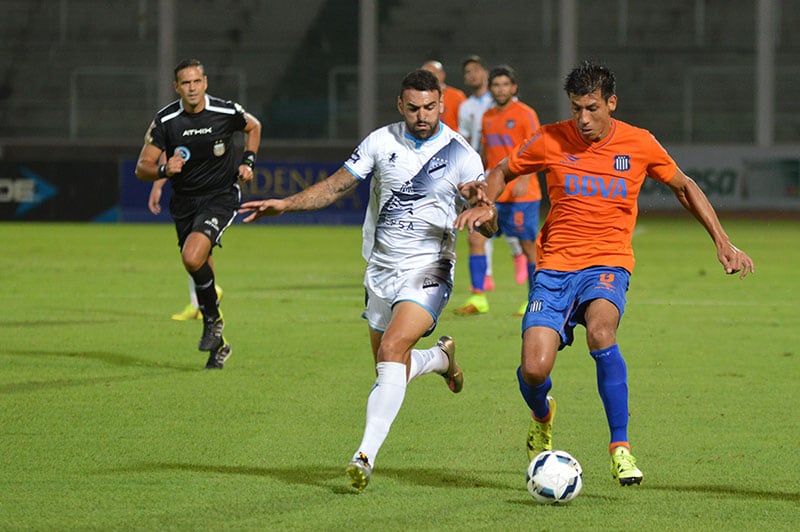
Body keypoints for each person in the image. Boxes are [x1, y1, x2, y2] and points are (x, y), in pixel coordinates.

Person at [456, 60, 754, 486]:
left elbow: (684, 186)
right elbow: (504, 168)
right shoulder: (550, 139)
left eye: (592, 108)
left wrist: (723, 242)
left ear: (611, 103)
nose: (583, 118)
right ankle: (543, 415)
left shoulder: (639, 143)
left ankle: (620, 448)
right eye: (577, 108)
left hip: (608, 263)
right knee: (535, 370)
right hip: (555, 266)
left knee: (601, 333)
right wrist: (488, 196)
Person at [239, 69, 493, 492]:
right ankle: (439, 360)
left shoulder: (462, 154)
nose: (422, 115)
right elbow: (335, 186)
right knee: (389, 364)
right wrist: (287, 204)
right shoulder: (381, 141)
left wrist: (485, 215)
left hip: (430, 268)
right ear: (400, 105)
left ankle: (365, 455)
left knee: (393, 349)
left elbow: (487, 219)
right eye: (413, 108)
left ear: (442, 105)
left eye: (430, 107)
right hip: (380, 269)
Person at [135, 58, 262, 369]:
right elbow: (142, 168)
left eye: (196, 82)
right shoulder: (166, 121)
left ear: (205, 83)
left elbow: (254, 126)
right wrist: (164, 170)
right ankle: (218, 344)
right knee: (199, 261)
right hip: (185, 202)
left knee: (192, 257)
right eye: (185, 83)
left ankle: (211, 319)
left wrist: (248, 162)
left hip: (220, 196)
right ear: (176, 87)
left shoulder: (225, 111)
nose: (191, 88)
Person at [455, 65, 541, 317]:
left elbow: (537, 149)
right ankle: (478, 297)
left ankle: (534, 300)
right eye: (496, 85)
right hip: (493, 193)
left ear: (514, 88)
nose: (501, 89)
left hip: (521, 195)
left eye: (505, 84)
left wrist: (525, 176)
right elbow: (484, 152)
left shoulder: (525, 114)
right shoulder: (488, 116)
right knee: (476, 238)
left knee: (528, 247)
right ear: (490, 88)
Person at [147, 176, 224, 321]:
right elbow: (169, 155)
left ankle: (203, 302)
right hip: (187, 194)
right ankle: (201, 300)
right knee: (196, 250)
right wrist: (157, 186)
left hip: (210, 193)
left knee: (196, 247)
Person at [420, 60, 466, 131]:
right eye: (425, 75)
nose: (429, 78)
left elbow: (466, 124)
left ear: (442, 75)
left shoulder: (456, 96)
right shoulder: (418, 98)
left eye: (433, 74)